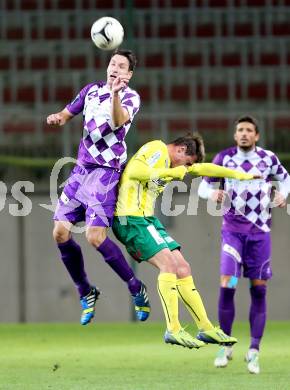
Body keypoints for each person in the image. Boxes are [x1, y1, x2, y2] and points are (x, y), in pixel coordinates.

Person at [112, 133, 260, 349]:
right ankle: (173, 329)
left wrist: (240, 176)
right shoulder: (157, 148)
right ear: (180, 150)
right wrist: (171, 171)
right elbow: (134, 172)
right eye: (188, 162)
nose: (187, 168)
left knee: (182, 267)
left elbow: (204, 169)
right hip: (130, 219)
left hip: (147, 220)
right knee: (169, 265)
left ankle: (206, 328)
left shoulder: (174, 163)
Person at [46, 49, 150, 325]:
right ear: (107, 66)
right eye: (113, 63)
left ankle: (135, 287)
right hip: (81, 171)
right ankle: (86, 291)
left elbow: (118, 121)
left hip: (106, 173)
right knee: (59, 232)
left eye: (122, 66)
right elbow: (67, 113)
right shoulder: (90, 91)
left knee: (94, 237)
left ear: (129, 74)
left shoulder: (130, 97)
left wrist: (115, 93)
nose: (115, 68)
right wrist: (58, 117)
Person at [198, 116, 290, 373]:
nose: (244, 134)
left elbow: (286, 178)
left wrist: (283, 193)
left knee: (258, 289)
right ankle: (225, 344)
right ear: (235, 135)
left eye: (249, 130)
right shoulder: (224, 158)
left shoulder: (268, 158)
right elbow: (202, 188)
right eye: (240, 130)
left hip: (260, 234)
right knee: (228, 283)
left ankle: (254, 351)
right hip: (233, 232)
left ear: (257, 136)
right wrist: (213, 193)